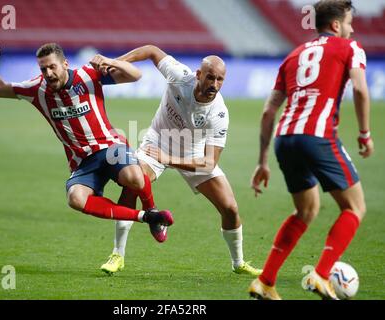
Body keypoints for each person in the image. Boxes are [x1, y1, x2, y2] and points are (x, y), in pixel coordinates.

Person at [0, 42, 174, 240]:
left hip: (109, 147)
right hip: (82, 161)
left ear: (65, 64)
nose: (48, 73)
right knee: (75, 198)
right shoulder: (37, 89)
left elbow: (135, 75)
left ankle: (151, 208)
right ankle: (147, 217)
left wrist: (109, 61)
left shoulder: (89, 74)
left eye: (52, 67)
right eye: (43, 69)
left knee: (134, 176)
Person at [100, 45, 262, 277]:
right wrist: (117, 61)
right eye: (210, 77)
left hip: (193, 155)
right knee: (133, 184)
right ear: (198, 74)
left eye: (219, 80)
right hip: (157, 144)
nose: (214, 84)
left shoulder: (219, 114)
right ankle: (117, 255)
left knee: (230, 208)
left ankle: (238, 263)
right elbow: (151, 50)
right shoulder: (179, 76)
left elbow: (208, 163)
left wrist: (169, 159)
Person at [248, 0, 373, 300]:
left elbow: (268, 111)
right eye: (349, 23)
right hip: (316, 137)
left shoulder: (292, 56)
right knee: (355, 208)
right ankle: (321, 273)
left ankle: (264, 282)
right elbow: (358, 89)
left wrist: (262, 162)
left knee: (305, 210)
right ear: (335, 25)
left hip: (285, 139)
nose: (352, 28)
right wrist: (364, 134)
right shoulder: (349, 48)